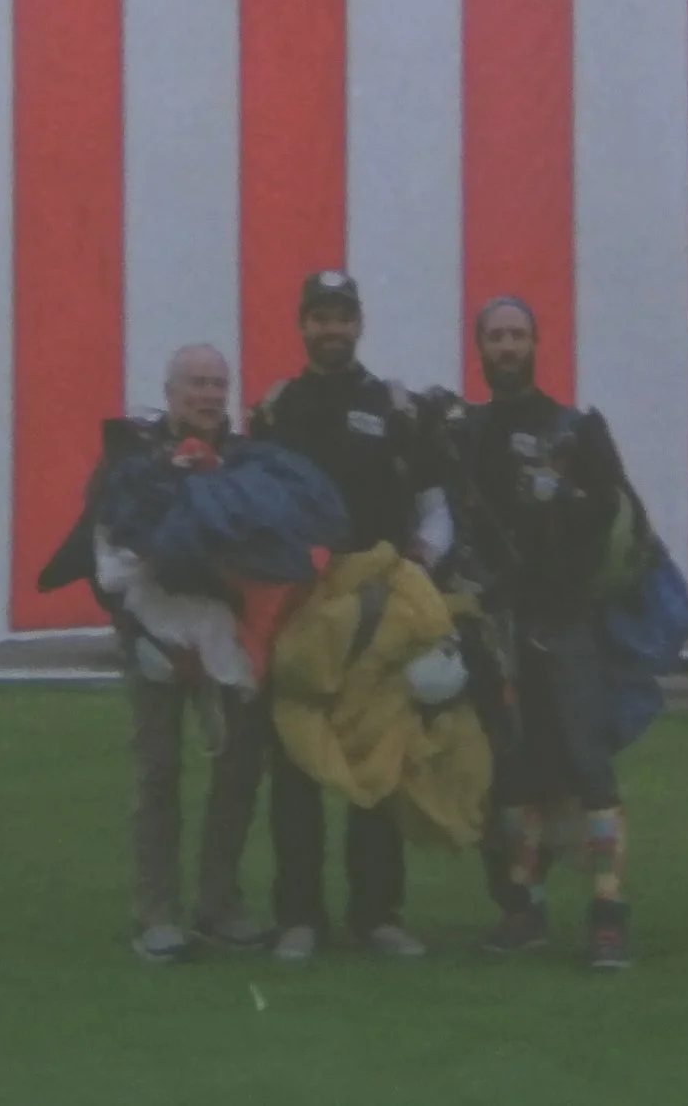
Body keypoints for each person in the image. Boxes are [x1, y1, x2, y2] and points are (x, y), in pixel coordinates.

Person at [36, 343, 272, 964]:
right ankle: (156, 913)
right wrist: (143, 640)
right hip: (152, 633)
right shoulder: (130, 463)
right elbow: (104, 554)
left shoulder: (245, 461)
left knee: (239, 771)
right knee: (159, 769)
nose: (207, 393)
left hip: (228, 635)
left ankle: (220, 904)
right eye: (195, 382)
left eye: (217, 383)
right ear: (170, 392)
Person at [246, 270, 457, 964]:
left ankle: (377, 916)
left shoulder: (395, 405)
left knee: (378, 761)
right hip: (301, 609)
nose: (332, 328)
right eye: (320, 317)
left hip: (378, 610)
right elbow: (248, 507)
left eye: (343, 316)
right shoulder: (276, 408)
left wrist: (417, 570)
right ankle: (299, 917)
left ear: (360, 324)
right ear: (302, 325)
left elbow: (435, 504)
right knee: (297, 767)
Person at [444, 296, 651, 972]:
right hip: (497, 625)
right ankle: (525, 906)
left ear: (536, 343)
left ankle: (609, 914)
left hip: (566, 621)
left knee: (589, 765)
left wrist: (566, 500)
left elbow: (623, 519)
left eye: (517, 334)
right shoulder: (465, 432)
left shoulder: (577, 428)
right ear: (479, 348)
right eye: (495, 336)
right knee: (519, 775)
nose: (507, 346)